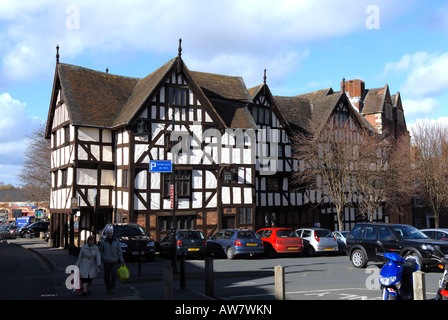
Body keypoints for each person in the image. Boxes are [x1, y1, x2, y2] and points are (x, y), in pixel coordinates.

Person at [99, 227, 125, 293]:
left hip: (114, 260)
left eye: (110, 233)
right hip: (106, 260)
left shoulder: (116, 241)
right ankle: (108, 286)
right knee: (106, 275)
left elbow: (119, 251)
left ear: (112, 233)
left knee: (114, 274)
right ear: (106, 234)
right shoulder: (103, 242)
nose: (109, 235)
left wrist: (121, 260)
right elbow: (100, 251)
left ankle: (113, 286)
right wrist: (102, 258)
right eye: (108, 233)